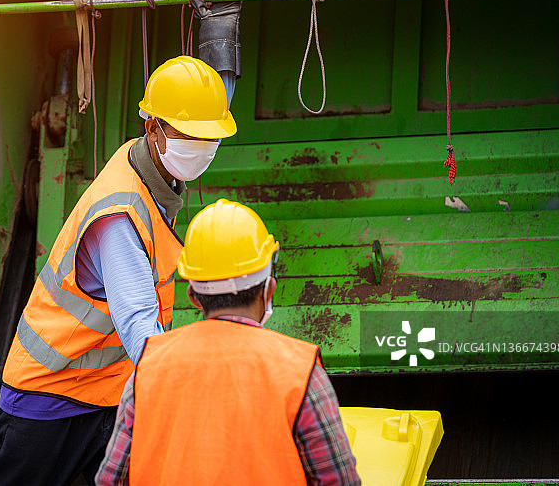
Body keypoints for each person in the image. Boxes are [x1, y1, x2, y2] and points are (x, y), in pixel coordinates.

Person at [0, 55, 237, 486]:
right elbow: (138, 322)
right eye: (188, 135)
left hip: (106, 390)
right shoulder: (119, 215)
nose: (200, 147)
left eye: (209, 139)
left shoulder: (149, 168)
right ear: (153, 127)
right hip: (51, 395)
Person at [96, 199, 361, 486]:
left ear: (194, 297)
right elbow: (339, 479)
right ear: (268, 290)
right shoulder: (301, 371)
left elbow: (111, 479)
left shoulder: (149, 366)